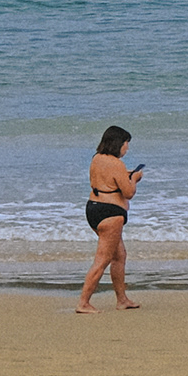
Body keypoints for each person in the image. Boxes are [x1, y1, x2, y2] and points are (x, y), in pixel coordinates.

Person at [77, 125, 141, 312]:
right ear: (118, 144)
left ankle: (122, 300)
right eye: (126, 143)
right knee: (103, 260)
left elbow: (108, 179)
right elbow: (128, 193)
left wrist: (125, 175)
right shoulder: (116, 164)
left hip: (93, 208)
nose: (127, 148)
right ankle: (83, 302)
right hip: (110, 214)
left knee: (119, 255)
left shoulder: (96, 158)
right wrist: (134, 178)